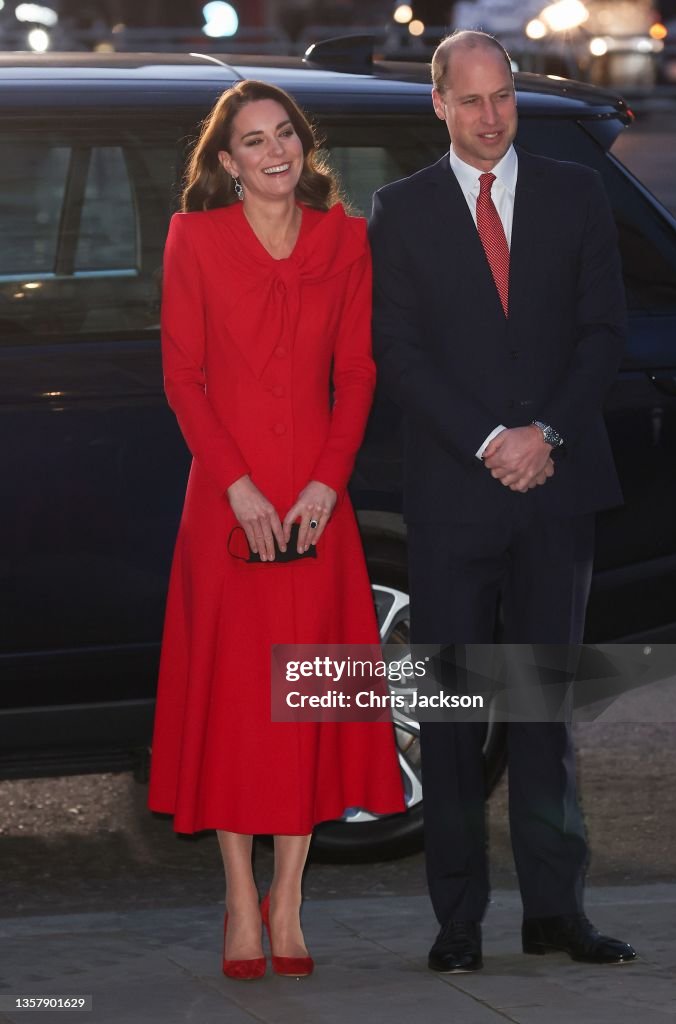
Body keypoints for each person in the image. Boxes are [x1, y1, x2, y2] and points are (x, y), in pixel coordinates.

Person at [368, 31, 636, 972]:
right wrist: (489, 442)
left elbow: (604, 332)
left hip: (556, 490)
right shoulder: (397, 211)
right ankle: (457, 921)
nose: (490, 118)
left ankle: (554, 911)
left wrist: (543, 436)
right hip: (452, 496)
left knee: (542, 713)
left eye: (504, 98)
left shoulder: (571, 192)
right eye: (471, 101)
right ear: (437, 104)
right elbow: (397, 353)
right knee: (447, 714)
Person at [147, 80, 405, 981]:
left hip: (315, 511)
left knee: (301, 703)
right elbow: (184, 379)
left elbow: (360, 373)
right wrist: (240, 490)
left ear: (304, 144)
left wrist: (327, 486)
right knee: (234, 708)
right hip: (227, 506)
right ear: (227, 163)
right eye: (253, 142)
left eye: (284, 134)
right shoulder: (195, 239)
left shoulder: (344, 238)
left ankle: (288, 899)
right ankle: (235, 898)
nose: (274, 152)